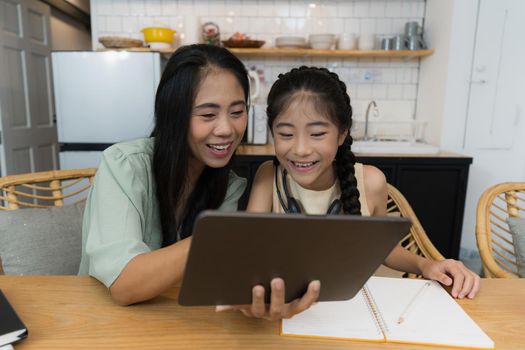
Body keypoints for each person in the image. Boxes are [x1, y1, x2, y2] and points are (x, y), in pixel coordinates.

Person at [240, 66, 480, 320]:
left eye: (318, 134)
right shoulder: (268, 176)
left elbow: (384, 249)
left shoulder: (371, 181)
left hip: (353, 311)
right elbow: (249, 251)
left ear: (342, 133)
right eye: (286, 134)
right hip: (288, 311)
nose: (300, 149)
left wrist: (427, 264)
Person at [78, 44, 251, 305]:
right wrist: (213, 237)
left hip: (177, 319)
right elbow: (125, 284)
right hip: (101, 320)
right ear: (174, 114)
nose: (227, 129)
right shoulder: (124, 166)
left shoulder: (228, 185)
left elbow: (214, 275)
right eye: (208, 115)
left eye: (237, 112)